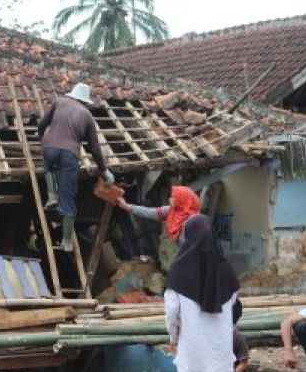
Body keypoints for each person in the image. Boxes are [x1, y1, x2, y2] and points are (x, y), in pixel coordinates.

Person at [161, 214, 247, 372]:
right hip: (219, 344)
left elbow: (172, 313)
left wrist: (174, 337)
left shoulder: (179, 271)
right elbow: (233, 308)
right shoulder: (227, 270)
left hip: (193, 343)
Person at [38, 83, 113, 251]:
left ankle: (51, 196)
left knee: (48, 167)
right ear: (85, 101)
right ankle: (67, 242)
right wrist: (104, 169)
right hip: (69, 155)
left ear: (72, 95)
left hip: (49, 148)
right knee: (68, 200)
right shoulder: (86, 115)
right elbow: (94, 148)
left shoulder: (59, 101)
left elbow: (42, 124)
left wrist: (41, 138)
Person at [117, 185, 201, 247]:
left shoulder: (193, 222)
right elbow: (149, 212)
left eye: (174, 197)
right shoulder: (172, 211)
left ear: (182, 200)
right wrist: (127, 206)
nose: (170, 199)